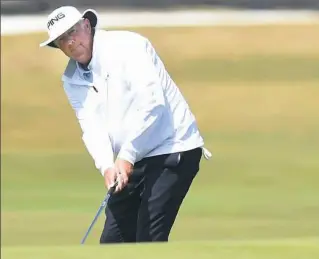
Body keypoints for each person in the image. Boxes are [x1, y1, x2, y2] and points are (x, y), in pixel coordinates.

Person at [39, 6, 212, 243]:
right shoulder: (71, 79)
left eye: (73, 31)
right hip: (131, 158)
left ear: (87, 26)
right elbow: (92, 128)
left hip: (173, 146)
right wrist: (107, 167)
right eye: (61, 39)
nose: (70, 42)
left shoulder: (128, 46)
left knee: (148, 239)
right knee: (112, 242)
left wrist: (127, 154)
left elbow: (152, 104)